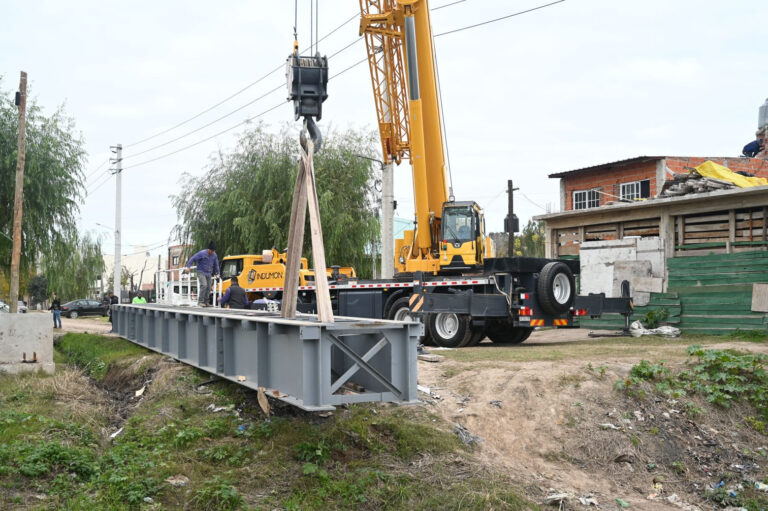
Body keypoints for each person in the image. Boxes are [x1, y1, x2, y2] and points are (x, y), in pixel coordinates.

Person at [184, 241, 220, 307]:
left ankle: (206, 302)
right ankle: (200, 301)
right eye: (211, 251)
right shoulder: (202, 253)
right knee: (204, 285)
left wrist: (218, 273)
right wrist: (188, 267)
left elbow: (216, 265)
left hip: (209, 273)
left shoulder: (214, 255)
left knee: (209, 287)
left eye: (213, 251)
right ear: (208, 249)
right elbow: (192, 258)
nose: (212, 252)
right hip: (201, 272)